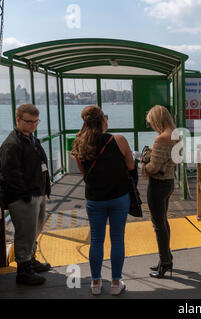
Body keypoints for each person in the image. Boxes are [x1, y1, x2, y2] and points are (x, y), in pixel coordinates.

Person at [71, 105, 135, 296]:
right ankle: (116, 284)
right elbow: (131, 165)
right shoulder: (119, 140)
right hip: (119, 197)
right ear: (102, 120)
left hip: (94, 199)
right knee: (117, 239)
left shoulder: (79, 143)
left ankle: (96, 283)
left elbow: (85, 173)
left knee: (96, 240)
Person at [0, 103, 51, 285]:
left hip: (37, 193)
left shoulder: (31, 139)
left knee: (34, 231)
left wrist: (44, 190)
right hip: (24, 197)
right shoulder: (12, 144)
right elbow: (9, 173)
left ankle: (30, 260)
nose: (33, 125)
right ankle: (24, 270)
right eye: (29, 122)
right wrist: (26, 195)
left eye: (36, 122)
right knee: (25, 233)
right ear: (18, 119)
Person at [142, 105, 180, 279]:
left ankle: (165, 262)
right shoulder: (177, 135)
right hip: (170, 182)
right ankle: (166, 257)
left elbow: (153, 167)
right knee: (164, 221)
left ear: (157, 120)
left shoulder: (160, 139)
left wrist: (143, 162)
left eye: (151, 123)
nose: (151, 126)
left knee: (158, 224)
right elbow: (175, 160)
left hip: (157, 185)